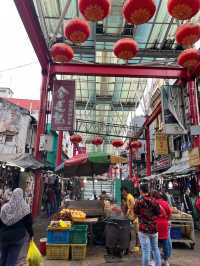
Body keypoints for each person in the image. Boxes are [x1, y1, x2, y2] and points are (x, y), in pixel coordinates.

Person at [0, 188, 34, 266]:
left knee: (3, 258)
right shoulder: (25, 208)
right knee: (11, 260)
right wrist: (31, 235)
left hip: (4, 237)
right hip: (17, 238)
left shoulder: (4, 208)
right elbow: (28, 223)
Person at [134, 183, 161, 266]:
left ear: (141, 190)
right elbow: (158, 213)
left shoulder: (138, 201)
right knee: (155, 249)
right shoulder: (154, 201)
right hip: (154, 228)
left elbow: (135, 212)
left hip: (143, 229)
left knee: (146, 251)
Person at [152, 192, 172, 266]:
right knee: (165, 243)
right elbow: (170, 213)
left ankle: (154, 260)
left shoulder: (152, 203)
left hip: (155, 225)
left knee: (154, 244)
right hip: (164, 225)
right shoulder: (165, 203)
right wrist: (166, 219)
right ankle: (166, 260)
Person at [121, 187, 139, 251]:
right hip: (131, 217)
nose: (122, 193)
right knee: (132, 232)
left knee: (136, 232)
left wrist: (130, 215)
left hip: (134, 217)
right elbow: (128, 207)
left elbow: (133, 207)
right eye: (121, 191)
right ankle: (132, 245)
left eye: (123, 191)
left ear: (125, 191)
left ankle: (137, 246)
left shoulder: (129, 197)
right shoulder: (127, 197)